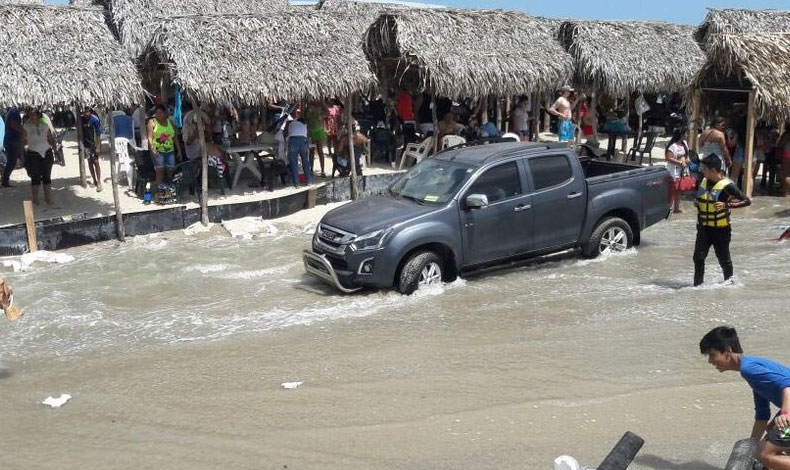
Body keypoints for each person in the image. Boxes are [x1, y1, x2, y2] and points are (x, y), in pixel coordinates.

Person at [699, 326, 790, 470]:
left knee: (765, 454)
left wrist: (785, 414)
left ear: (728, 351)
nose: (710, 361)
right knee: (772, 433)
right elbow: (762, 416)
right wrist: (750, 448)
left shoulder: (749, 369)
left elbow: (787, 385)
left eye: (712, 354)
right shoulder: (750, 371)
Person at [692, 154, 750, 286]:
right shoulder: (703, 181)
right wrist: (698, 202)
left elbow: (747, 201)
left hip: (721, 229)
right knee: (698, 258)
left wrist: (727, 205)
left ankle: (729, 285)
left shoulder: (727, 185)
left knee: (723, 259)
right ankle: (697, 287)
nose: (702, 171)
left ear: (713, 170)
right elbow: (701, 197)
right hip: (704, 227)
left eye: (704, 169)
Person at [23, 109, 57, 205]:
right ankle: (35, 199)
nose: (31, 116)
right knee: (35, 177)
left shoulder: (45, 125)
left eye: (33, 114)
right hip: (33, 153)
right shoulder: (26, 126)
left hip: (47, 152)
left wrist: (55, 151)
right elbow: (23, 140)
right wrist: (22, 154)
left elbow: (50, 139)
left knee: (47, 177)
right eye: (30, 114)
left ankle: (48, 198)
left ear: (38, 115)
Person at [147, 104, 180, 185]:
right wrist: (153, 150)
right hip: (158, 151)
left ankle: (168, 187)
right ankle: (158, 187)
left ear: (165, 113)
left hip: (170, 150)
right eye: (157, 113)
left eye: (161, 113)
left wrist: (179, 150)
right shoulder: (152, 123)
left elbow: (175, 137)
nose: (158, 115)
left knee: (170, 169)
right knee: (160, 170)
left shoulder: (171, 122)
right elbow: (150, 138)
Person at [665, 128, 689, 213]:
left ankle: (676, 208)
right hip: (673, 171)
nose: (687, 135)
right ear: (681, 135)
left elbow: (687, 155)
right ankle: (668, 208)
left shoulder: (685, 144)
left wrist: (686, 160)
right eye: (685, 133)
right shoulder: (673, 146)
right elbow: (668, 158)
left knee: (679, 190)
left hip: (682, 171)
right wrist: (679, 162)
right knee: (672, 189)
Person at [285, 108, 311, 187]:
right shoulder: (304, 122)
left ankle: (296, 183)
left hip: (293, 141)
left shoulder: (290, 122)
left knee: (294, 163)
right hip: (303, 141)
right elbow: (307, 134)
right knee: (305, 162)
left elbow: (285, 132)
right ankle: (309, 181)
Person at [80, 107, 103, 192]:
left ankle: (99, 182)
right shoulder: (81, 120)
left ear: (90, 111)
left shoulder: (94, 120)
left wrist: (98, 146)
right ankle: (94, 180)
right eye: (84, 112)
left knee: (96, 162)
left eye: (87, 112)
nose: (86, 113)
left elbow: (99, 134)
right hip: (86, 145)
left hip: (94, 144)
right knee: (89, 162)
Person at [2, 109, 24, 188]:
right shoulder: (14, 112)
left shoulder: (12, 112)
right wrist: (23, 131)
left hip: (12, 141)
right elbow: (13, 125)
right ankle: (4, 181)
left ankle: (5, 181)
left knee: (14, 161)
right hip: (11, 141)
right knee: (11, 162)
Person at [305, 101, 328, 177]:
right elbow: (305, 119)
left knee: (320, 151)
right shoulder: (307, 109)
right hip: (311, 133)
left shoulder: (319, 107)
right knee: (311, 151)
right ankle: (311, 169)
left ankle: (322, 170)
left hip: (318, 132)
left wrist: (322, 116)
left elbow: (327, 112)